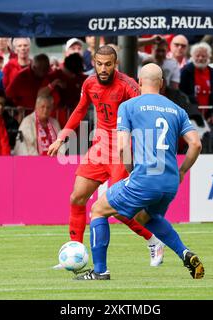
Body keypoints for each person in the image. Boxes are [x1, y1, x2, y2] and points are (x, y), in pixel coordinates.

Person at [74, 63, 204, 280]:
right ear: (161, 84)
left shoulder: (129, 106)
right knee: (145, 217)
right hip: (170, 182)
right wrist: (182, 171)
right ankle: (185, 253)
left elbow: (123, 146)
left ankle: (99, 271)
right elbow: (196, 144)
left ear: (140, 82)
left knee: (98, 209)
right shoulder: (177, 110)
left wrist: (131, 170)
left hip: (145, 178)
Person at [47, 45, 165, 267]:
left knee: (118, 209)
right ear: (93, 63)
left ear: (115, 64)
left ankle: (153, 240)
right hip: (100, 146)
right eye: (99, 64)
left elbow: (146, 111)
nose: (103, 68)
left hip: (123, 148)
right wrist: (62, 137)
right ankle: (75, 252)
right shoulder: (89, 83)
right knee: (76, 198)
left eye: (108, 64)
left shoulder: (128, 85)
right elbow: (81, 109)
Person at [179, 42, 213, 121]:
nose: (200, 58)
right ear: (192, 56)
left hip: (208, 116)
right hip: (190, 115)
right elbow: (182, 94)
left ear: (208, 57)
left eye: (203, 56)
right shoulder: (186, 71)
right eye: (197, 56)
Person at [14, 88, 61, 156]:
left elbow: (61, 144)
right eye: (42, 107)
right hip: (33, 162)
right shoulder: (27, 121)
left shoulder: (55, 123)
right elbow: (27, 147)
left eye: (48, 107)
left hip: (54, 161)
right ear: (36, 107)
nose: (45, 110)